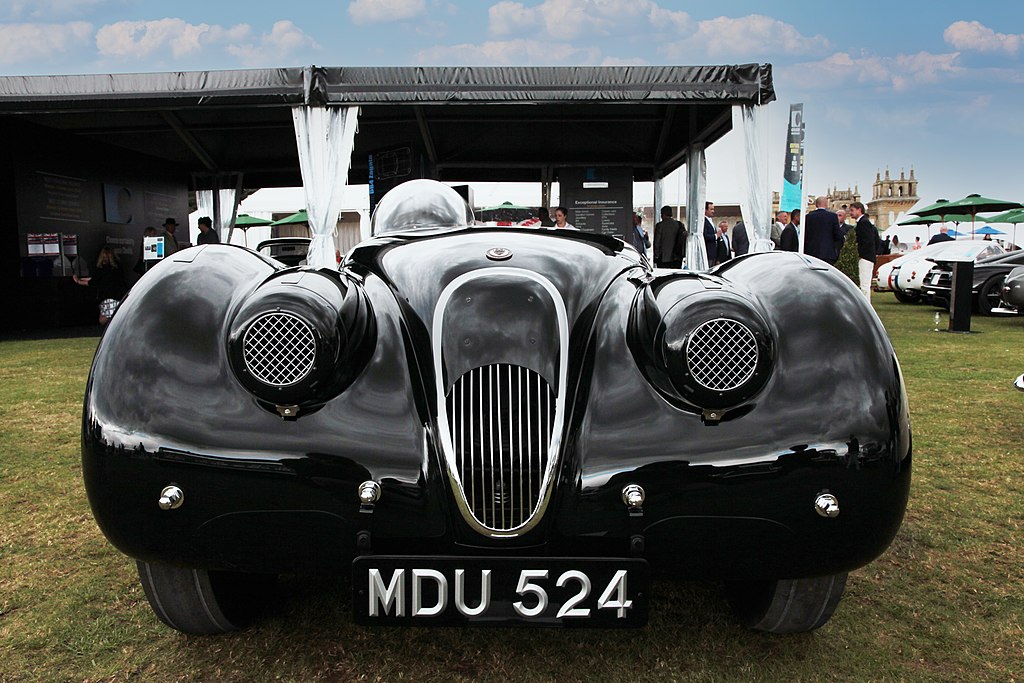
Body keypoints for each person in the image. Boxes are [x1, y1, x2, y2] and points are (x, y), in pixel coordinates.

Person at [73, 245, 128, 326]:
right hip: (119, 296)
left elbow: (93, 281)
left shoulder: (102, 269)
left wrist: (78, 281)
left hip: (109, 297)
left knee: (103, 320)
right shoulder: (117, 268)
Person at [802, 196, 843, 264]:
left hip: (811, 253)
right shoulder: (832, 216)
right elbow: (837, 235)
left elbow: (805, 234)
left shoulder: (808, 217)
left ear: (816, 205)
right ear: (826, 204)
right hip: (828, 253)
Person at [850, 201, 877, 300]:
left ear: (859, 210)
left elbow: (867, 241)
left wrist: (860, 254)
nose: (851, 213)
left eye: (852, 210)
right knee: (864, 284)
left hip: (866, 257)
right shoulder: (863, 222)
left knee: (864, 284)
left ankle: (866, 304)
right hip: (867, 256)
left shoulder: (864, 223)